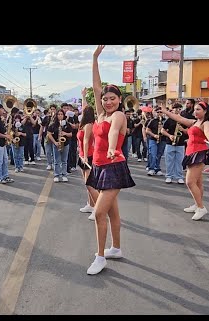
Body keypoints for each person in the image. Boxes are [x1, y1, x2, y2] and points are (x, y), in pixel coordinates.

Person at [85, 45, 136, 275]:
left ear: (119, 100)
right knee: (113, 212)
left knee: (98, 213)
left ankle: (100, 257)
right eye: (105, 99)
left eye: (112, 98)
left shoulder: (118, 115)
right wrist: (95, 58)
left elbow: (114, 131)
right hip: (100, 167)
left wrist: (113, 148)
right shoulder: (100, 114)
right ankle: (116, 247)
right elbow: (96, 87)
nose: (107, 101)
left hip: (114, 165)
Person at [160, 101, 209, 221]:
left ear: (205, 111)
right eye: (195, 109)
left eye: (198, 110)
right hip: (191, 152)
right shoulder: (195, 122)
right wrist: (165, 111)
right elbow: (178, 118)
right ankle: (197, 204)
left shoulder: (206, 123)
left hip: (199, 153)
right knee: (198, 182)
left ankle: (201, 207)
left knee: (190, 182)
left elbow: (208, 132)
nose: (195, 112)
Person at [77, 87, 99, 221]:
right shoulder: (85, 122)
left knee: (90, 185)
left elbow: (86, 141)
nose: (81, 109)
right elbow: (85, 106)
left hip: (88, 156)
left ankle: (98, 208)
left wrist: (85, 157)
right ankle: (90, 205)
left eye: (83, 110)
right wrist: (83, 96)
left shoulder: (89, 125)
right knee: (87, 184)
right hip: (83, 155)